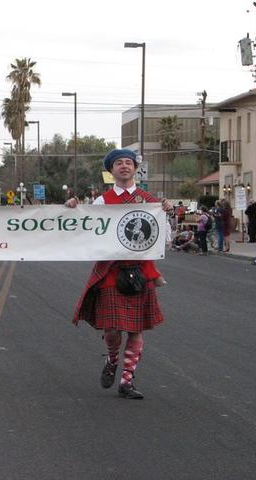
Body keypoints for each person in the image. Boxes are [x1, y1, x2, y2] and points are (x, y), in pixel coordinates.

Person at [66, 149, 171, 400]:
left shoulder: (149, 201)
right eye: (118, 163)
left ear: (135, 169)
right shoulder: (101, 202)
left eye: (128, 163)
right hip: (111, 271)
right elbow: (84, 231)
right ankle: (112, 359)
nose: (124, 166)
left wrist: (165, 213)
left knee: (135, 330)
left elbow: (164, 240)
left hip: (140, 272)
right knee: (113, 328)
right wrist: (73, 209)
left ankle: (127, 380)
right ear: (111, 171)